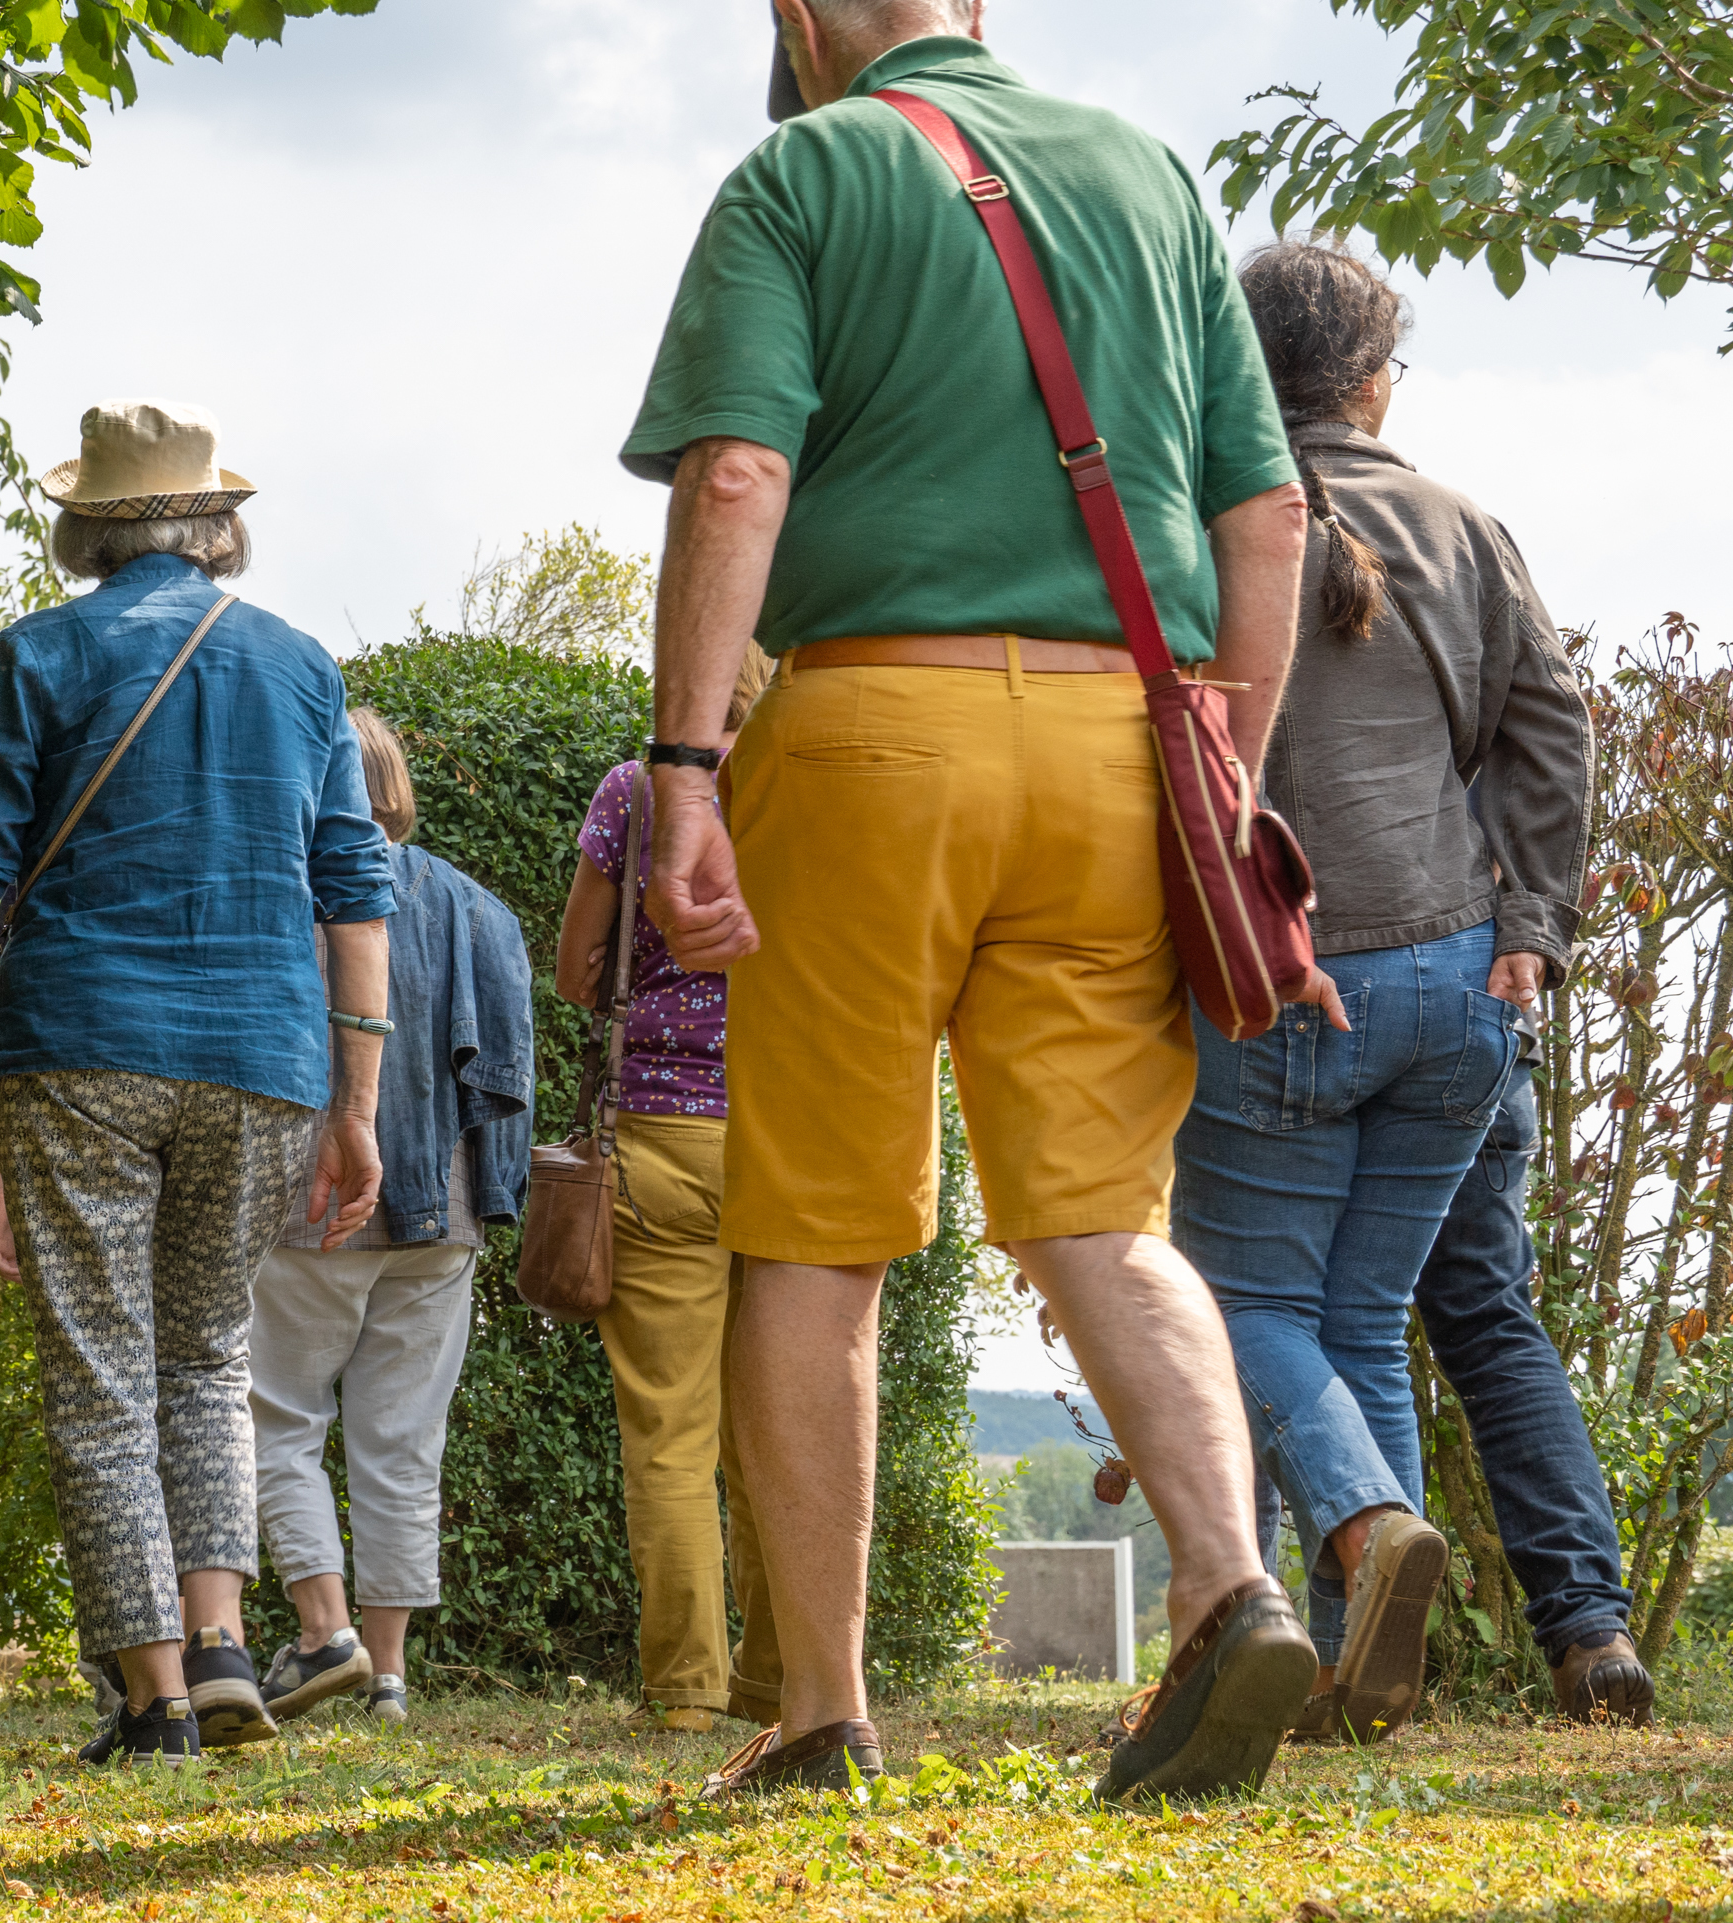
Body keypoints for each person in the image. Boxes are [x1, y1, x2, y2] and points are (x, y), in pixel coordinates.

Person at [623, 0, 1327, 1800]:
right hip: (1120, 744)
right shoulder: (1154, 181)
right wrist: (1221, 770)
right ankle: (1234, 1588)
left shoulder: (806, 168)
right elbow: (1269, 522)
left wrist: (687, 772)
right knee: (1104, 1207)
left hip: (869, 736)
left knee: (818, 1227)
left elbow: (739, 473)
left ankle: (827, 1711)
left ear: (797, 20)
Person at [0, 400, 396, 1768]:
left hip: (81, 1041)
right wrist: (359, 1101)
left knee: (101, 1370)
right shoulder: (300, 668)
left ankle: (153, 1699)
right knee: (208, 1352)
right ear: (217, 523)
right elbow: (353, 886)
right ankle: (220, 1643)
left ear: (85, 523)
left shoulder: (41, 652)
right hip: (263, 1055)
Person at [1172, 241, 1595, 1745]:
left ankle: (1356, 1533)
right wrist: (1531, 927)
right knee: (1356, 1323)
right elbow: (1552, 724)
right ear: (1373, 377)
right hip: (1460, 980)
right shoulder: (1466, 525)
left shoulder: (1198, 515)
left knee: (1237, 1305)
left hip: (1283, 981)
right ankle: (1366, 1671)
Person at [247, 711, 533, 1731]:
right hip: (440, 1216)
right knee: (406, 1446)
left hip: (308, 1203)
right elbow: (505, 1080)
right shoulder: (480, 910)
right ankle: (393, 1677)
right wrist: (491, 1197)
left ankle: (326, 1631)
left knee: (276, 1420)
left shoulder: (290, 896)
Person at [559, 698, 790, 1738]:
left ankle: (688, 1691)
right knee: (785, 1430)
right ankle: (785, 1680)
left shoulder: (639, 792)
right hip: (797, 1135)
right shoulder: (830, 781)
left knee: (670, 1434)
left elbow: (578, 970)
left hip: (658, 1132)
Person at [1415, 1073, 1649, 1725]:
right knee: (1494, 1326)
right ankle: (1592, 1631)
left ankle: (1304, 1640)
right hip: (1481, 1044)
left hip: (1325, 1024)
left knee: (1285, 1314)